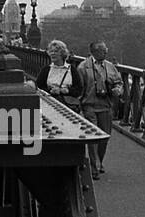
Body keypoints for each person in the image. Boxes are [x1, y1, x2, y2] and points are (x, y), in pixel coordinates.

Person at [78, 40, 123, 178]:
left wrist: (118, 90)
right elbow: (80, 88)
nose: (106, 51)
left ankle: (99, 160)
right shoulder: (83, 67)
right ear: (95, 52)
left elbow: (119, 82)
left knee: (104, 136)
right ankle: (94, 166)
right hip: (89, 105)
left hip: (106, 105)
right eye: (103, 50)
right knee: (93, 137)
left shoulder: (110, 66)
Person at [36, 39, 83, 111]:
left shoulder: (71, 69)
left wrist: (67, 91)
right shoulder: (46, 69)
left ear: (62, 53)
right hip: (49, 104)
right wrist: (50, 90)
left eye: (56, 51)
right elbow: (38, 87)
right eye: (51, 51)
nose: (52, 53)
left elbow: (79, 89)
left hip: (68, 105)